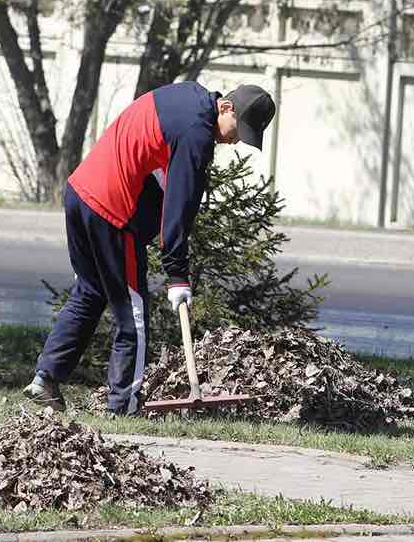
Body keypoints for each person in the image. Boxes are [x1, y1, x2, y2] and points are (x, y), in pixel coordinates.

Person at [23, 81, 276, 415]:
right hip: (112, 211)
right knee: (134, 312)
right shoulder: (196, 134)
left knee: (89, 292)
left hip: (80, 193)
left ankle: (46, 379)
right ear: (226, 107)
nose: (235, 139)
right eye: (238, 129)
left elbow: (150, 167)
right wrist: (177, 275)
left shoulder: (184, 96)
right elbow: (179, 207)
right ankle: (123, 405)